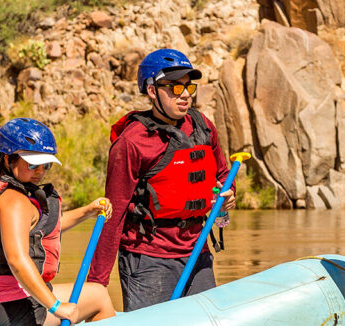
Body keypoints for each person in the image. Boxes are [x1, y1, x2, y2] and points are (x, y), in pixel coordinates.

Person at [87, 48, 235, 311]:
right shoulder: (131, 143)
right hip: (147, 258)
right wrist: (95, 284)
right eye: (175, 88)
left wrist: (228, 193)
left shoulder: (203, 126)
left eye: (189, 87)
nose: (186, 94)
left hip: (196, 250)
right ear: (153, 90)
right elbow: (113, 214)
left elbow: (223, 174)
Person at [0, 118, 116, 326]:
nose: (40, 171)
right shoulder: (14, 200)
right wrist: (56, 306)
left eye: (45, 165)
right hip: (1, 312)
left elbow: (38, 230)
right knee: (98, 295)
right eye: (32, 164)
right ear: (8, 159)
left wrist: (87, 211)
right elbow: (17, 260)